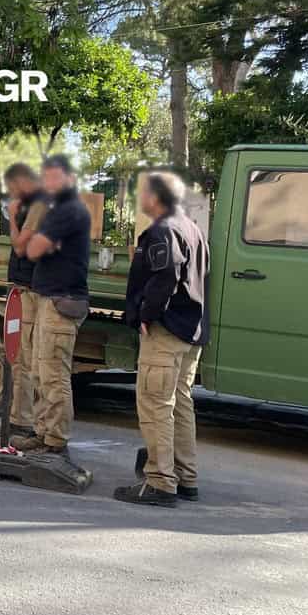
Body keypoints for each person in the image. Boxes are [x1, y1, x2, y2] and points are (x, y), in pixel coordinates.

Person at [114, 171, 210, 508]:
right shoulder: (191, 228)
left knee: (155, 405)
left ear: (155, 196)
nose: (138, 199)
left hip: (166, 332)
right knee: (180, 406)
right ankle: (186, 477)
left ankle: (160, 481)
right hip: (190, 331)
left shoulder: (163, 229)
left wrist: (146, 314)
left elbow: (166, 273)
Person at [11, 154, 90, 457]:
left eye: (54, 177)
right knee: (42, 373)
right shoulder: (61, 209)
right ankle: (42, 433)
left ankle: (55, 441)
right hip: (51, 298)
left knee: (54, 376)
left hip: (61, 302)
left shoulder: (68, 210)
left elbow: (30, 249)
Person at [4, 163, 46, 438]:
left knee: (25, 358)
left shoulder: (39, 206)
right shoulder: (32, 205)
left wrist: (12, 217)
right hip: (24, 287)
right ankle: (19, 416)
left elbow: (20, 245)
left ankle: (24, 421)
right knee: (19, 357)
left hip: (30, 289)